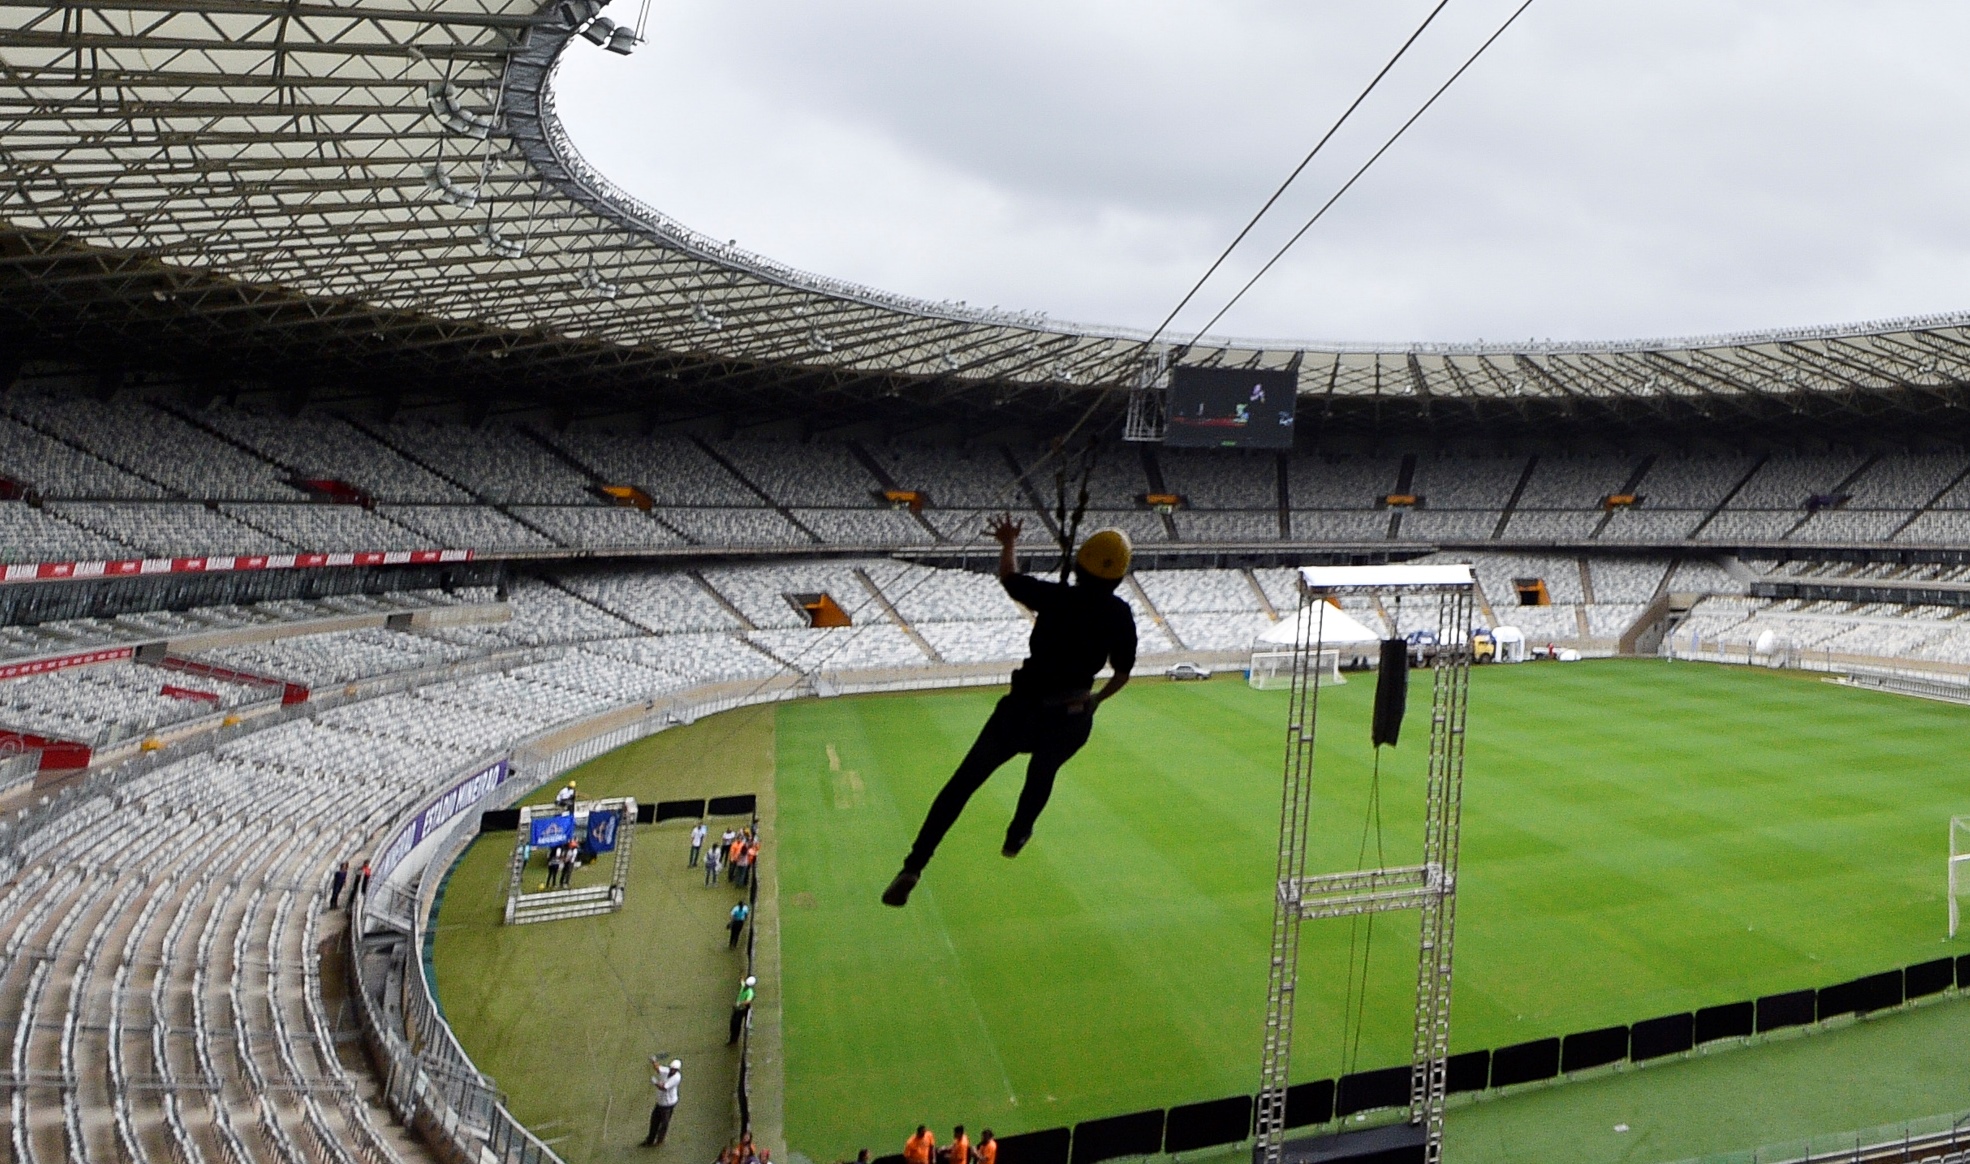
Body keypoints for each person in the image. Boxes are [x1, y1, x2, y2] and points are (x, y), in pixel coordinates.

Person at [883, 516, 1137, 907]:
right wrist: (1095, 701)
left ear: (1081, 565)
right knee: (1043, 770)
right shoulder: (1119, 615)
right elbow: (1121, 674)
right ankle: (1018, 832)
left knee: (961, 785)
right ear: (1119, 577)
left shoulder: (1055, 597)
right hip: (1069, 714)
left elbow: (1009, 578)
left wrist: (1008, 542)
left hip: (1021, 709)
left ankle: (914, 864)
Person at [643, 1057, 681, 1146]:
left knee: (664, 1123)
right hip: (660, 1102)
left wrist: (655, 1082)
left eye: (674, 1069)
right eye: (671, 1068)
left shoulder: (676, 1078)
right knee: (654, 1121)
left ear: (677, 1070)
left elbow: (664, 1088)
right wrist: (654, 1061)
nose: (672, 1070)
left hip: (668, 1104)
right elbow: (658, 1068)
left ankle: (659, 1141)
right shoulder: (667, 1071)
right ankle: (650, 1140)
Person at [728, 975, 755, 1045]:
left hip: (741, 1010)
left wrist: (740, 1003)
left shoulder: (750, 992)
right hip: (737, 1008)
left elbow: (748, 1001)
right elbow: (742, 981)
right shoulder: (744, 986)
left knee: (737, 1024)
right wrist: (741, 977)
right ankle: (732, 1038)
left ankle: (734, 1040)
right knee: (732, 1024)